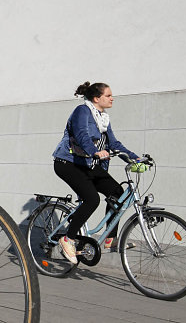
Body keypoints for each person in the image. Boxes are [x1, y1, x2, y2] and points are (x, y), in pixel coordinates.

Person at [52, 82, 139, 264]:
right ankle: (68, 238)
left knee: (117, 194)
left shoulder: (103, 118)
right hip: (68, 163)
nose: (112, 98)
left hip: (88, 164)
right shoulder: (82, 111)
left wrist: (135, 159)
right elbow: (82, 134)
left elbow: (114, 144)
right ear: (96, 98)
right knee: (92, 199)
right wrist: (94, 151)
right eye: (108, 95)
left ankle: (110, 239)